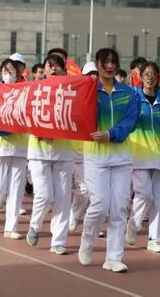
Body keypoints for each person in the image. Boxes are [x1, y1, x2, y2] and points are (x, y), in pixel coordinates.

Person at [78, 48, 139, 273]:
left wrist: (111, 134)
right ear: (97, 64)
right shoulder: (89, 91)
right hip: (95, 156)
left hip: (121, 156)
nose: (110, 66)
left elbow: (131, 121)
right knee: (99, 205)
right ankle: (87, 241)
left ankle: (113, 257)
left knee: (119, 208)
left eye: (114, 62)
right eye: (106, 62)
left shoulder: (128, 92)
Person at [25, 54, 75, 255]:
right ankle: (35, 225)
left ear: (64, 71)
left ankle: (59, 240)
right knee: (45, 195)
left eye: (58, 66)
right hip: (38, 150)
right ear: (44, 70)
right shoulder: (33, 91)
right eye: (50, 66)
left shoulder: (72, 92)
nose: (54, 69)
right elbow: (26, 115)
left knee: (63, 198)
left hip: (63, 151)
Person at [125, 61, 160, 253]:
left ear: (158, 77)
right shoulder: (133, 97)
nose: (150, 77)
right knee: (144, 194)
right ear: (140, 76)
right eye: (146, 73)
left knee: (158, 200)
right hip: (138, 156)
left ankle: (155, 239)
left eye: (153, 73)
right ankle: (134, 224)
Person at [0, 58, 28, 239]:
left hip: (19, 146)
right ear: (1, 72)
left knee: (17, 188)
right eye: (5, 70)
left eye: (12, 70)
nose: (8, 73)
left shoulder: (25, 91)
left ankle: (11, 227)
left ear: (18, 73)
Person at [69, 62, 98, 231]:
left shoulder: (101, 97)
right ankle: (74, 216)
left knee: (91, 192)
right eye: (89, 75)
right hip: (76, 154)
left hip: (94, 154)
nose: (93, 77)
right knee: (84, 190)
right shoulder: (75, 97)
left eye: (95, 74)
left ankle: (83, 219)